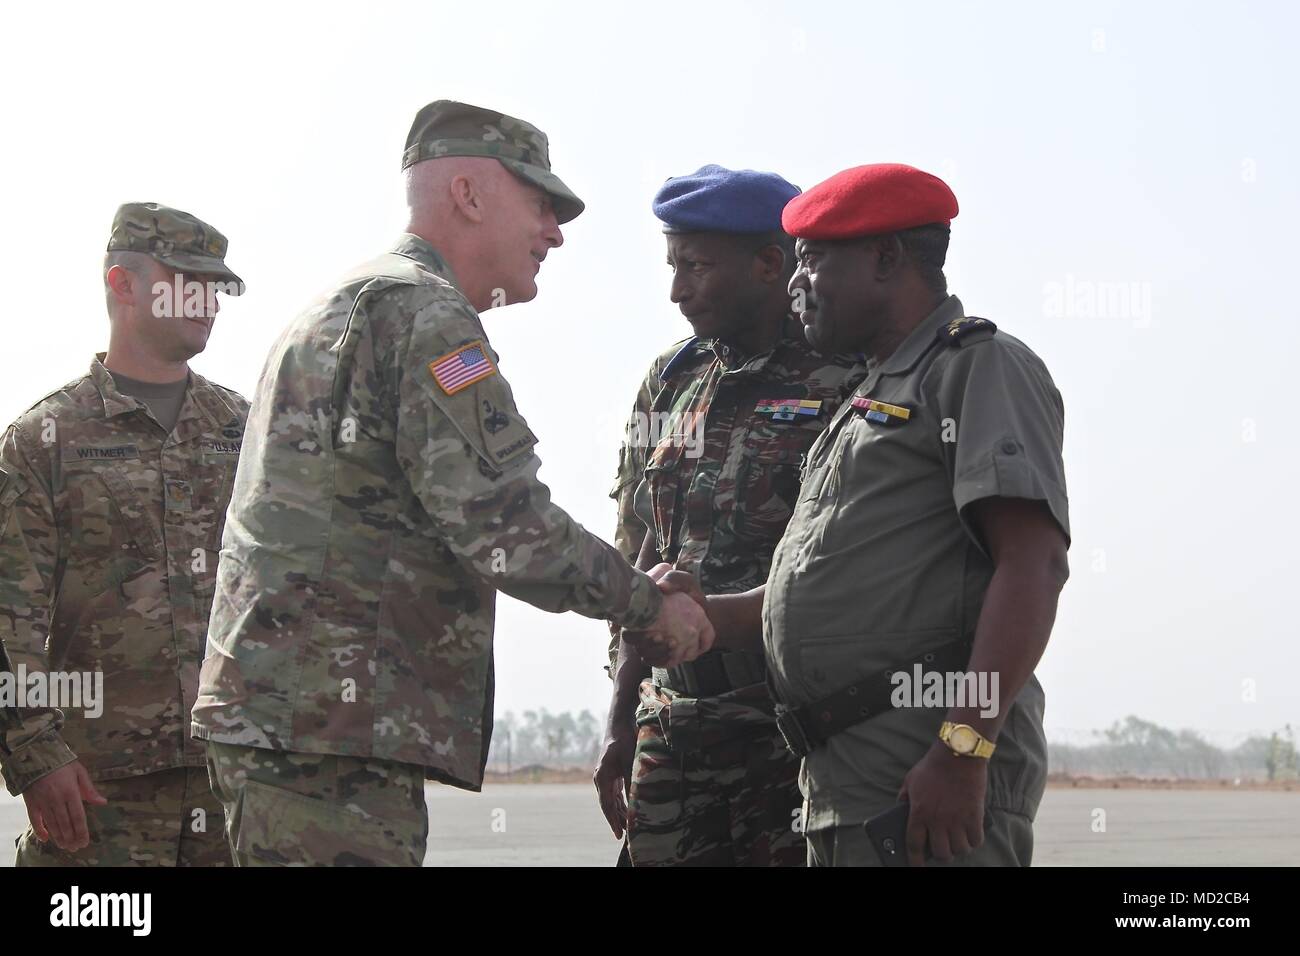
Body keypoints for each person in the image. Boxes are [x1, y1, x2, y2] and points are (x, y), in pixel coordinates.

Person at [192, 100, 712, 867]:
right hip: (329, 739)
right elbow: (505, 525)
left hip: (299, 723)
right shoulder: (421, 314)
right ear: (468, 195)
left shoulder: (348, 304)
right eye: (541, 204)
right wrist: (648, 604)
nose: (556, 232)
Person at [657, 163, 1070, 866]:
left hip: (922, 775)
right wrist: (706, 614)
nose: (794, 284)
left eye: (813, 261)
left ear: (886, 259)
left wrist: (963, 750)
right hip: (851, 779)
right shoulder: (865, 400)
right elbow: (826, 591)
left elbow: (1033, 565)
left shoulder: (977, 367)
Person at [595, 165, 866, 866]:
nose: (678, 288)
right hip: (673, 724)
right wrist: (621, 718)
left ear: (769, 264)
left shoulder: (850, 375)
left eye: (697, 266)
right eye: (672, 265)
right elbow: (641, 549)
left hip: (793, 730)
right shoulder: (672, 380)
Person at [0, 202, 248, 866]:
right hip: (97, 797)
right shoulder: (43, 442)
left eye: (217, 286)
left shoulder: (250, 434)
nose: (209, 301)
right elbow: (10, 618)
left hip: (237, 789)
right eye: (187, 280)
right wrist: (35, 754)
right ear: (123, 284)